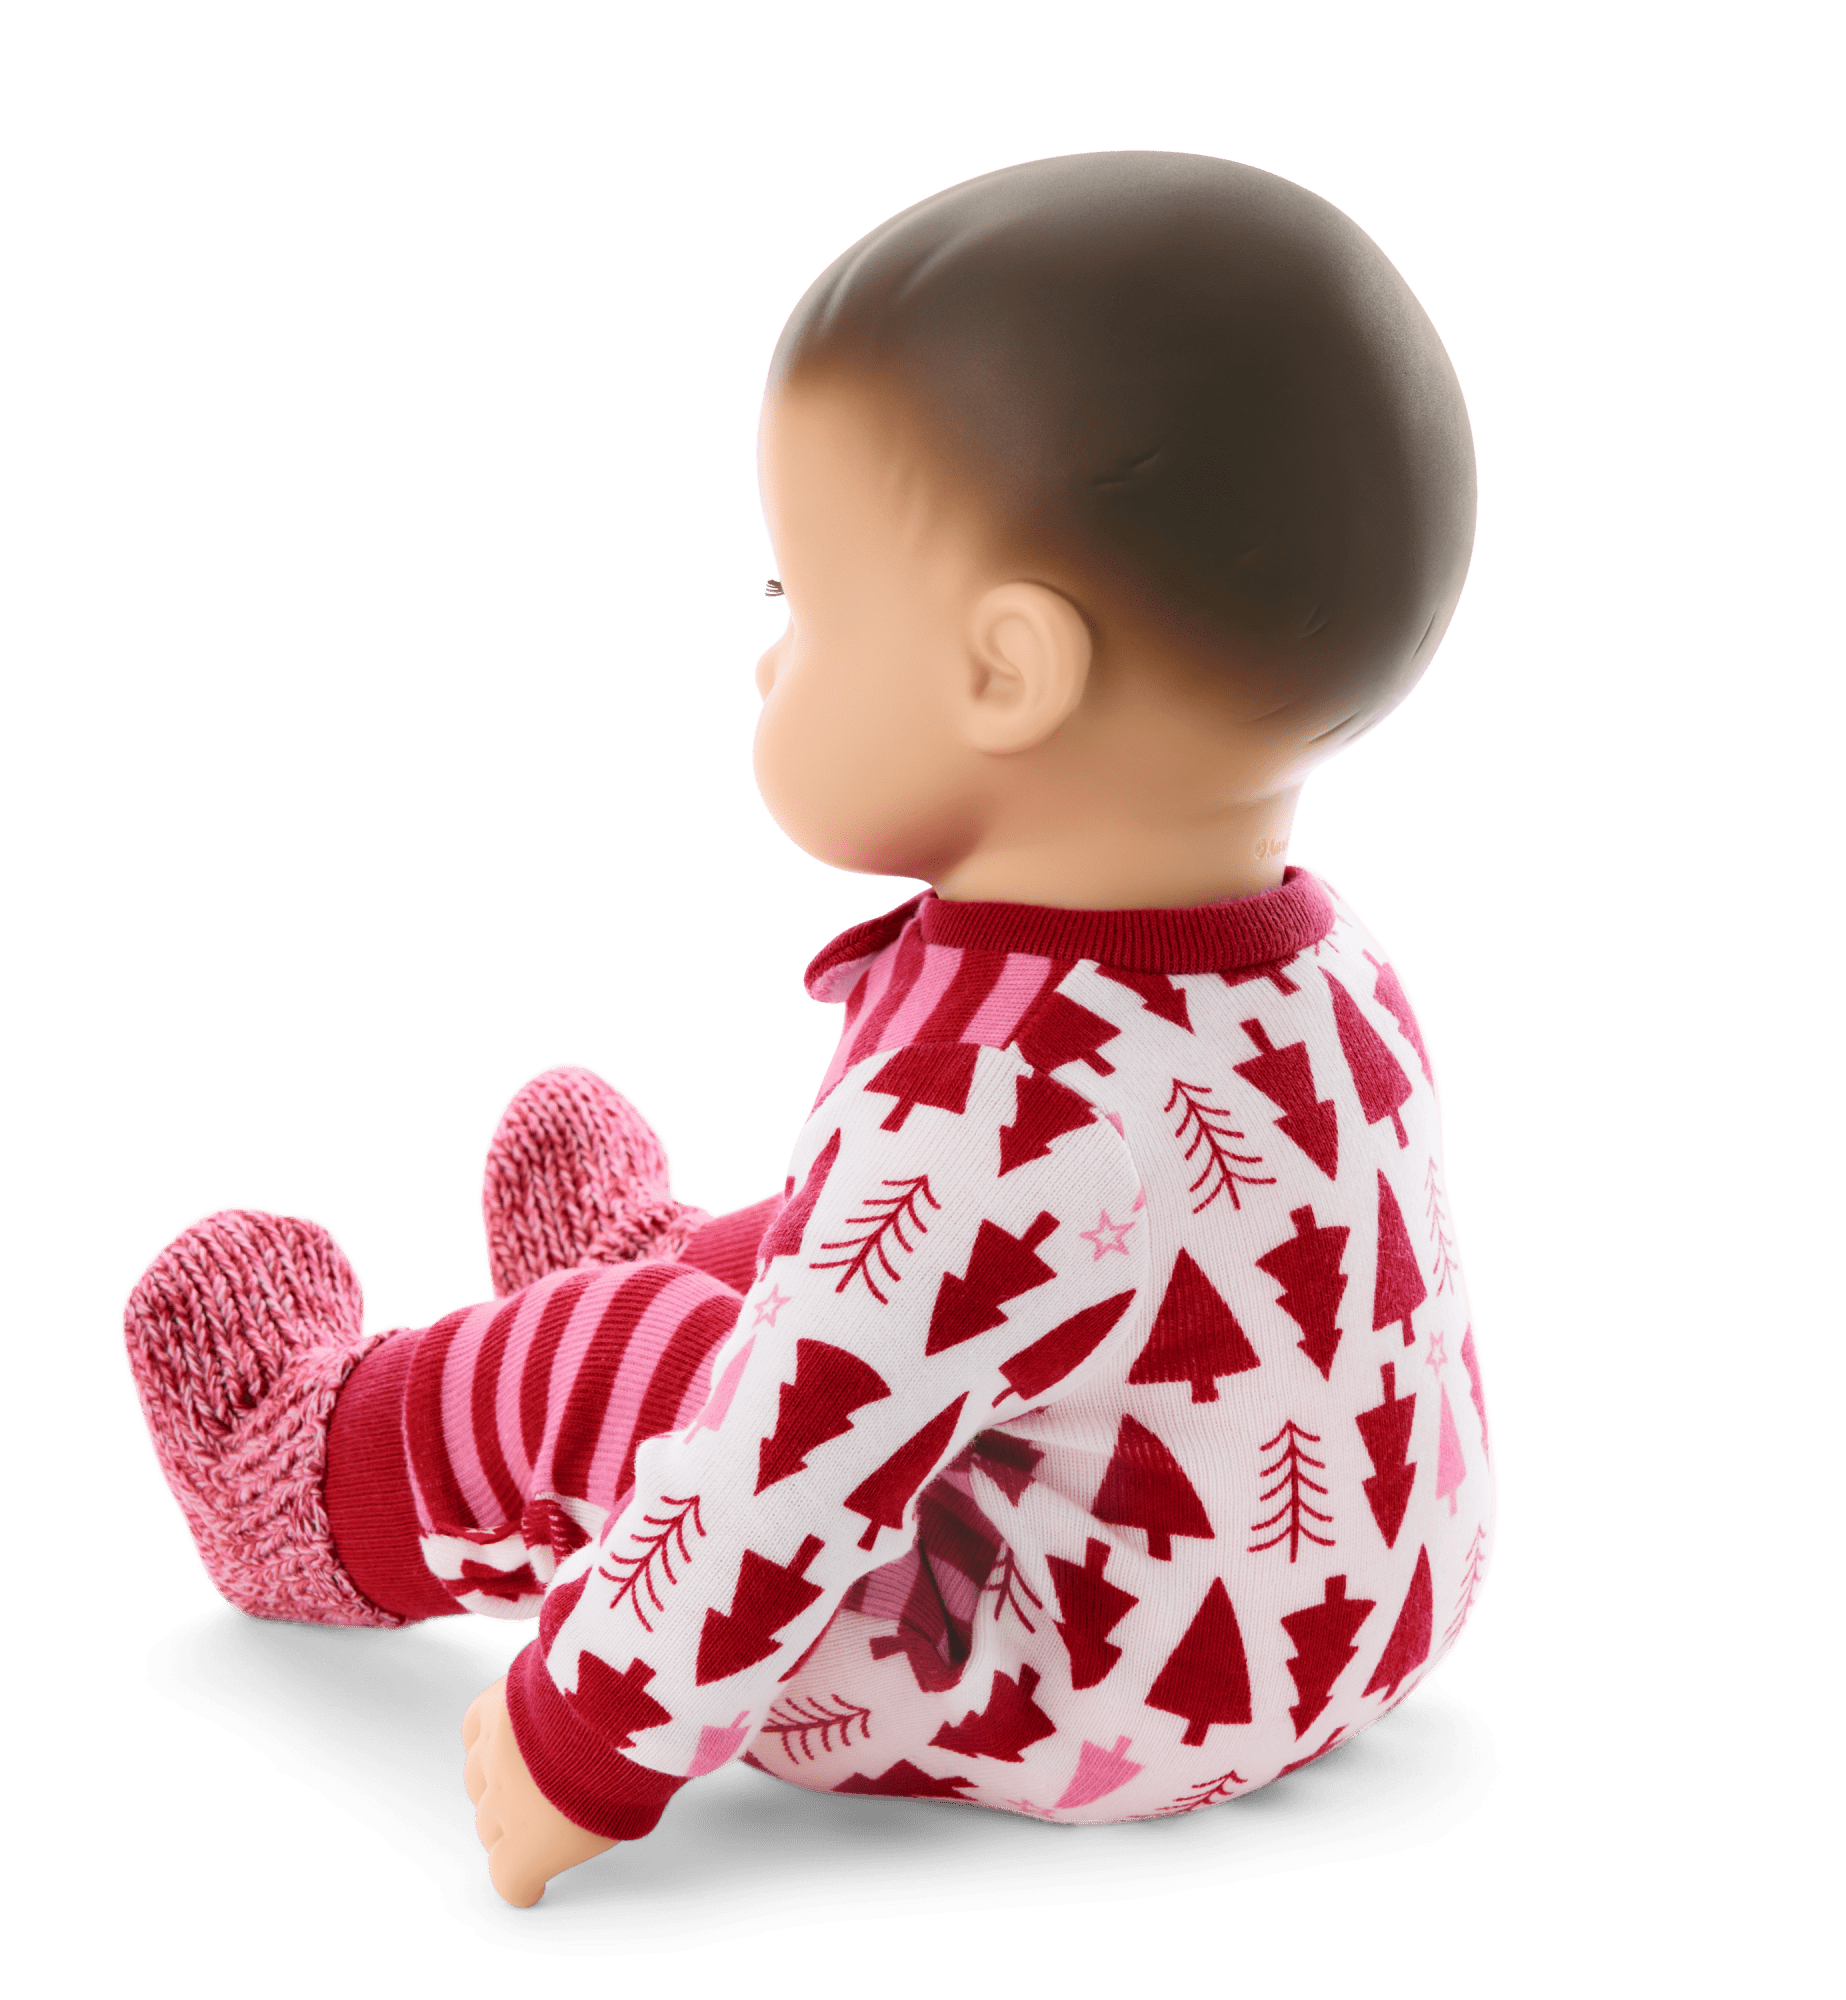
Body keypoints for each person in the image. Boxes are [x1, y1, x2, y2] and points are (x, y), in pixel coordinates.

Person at [121, 150, 1496, 1910]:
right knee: (891, 1274)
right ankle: (666, 1255)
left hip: (1066, 1688)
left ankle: (313, 1477)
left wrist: (575, 1746)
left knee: (670, 1377)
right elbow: (1055, 1273)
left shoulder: (997, 1091)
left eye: (803, 609)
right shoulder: (1323, 967)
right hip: (1348, 1623)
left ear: (1006, 674)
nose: (769, 660)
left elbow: (780, 1472)